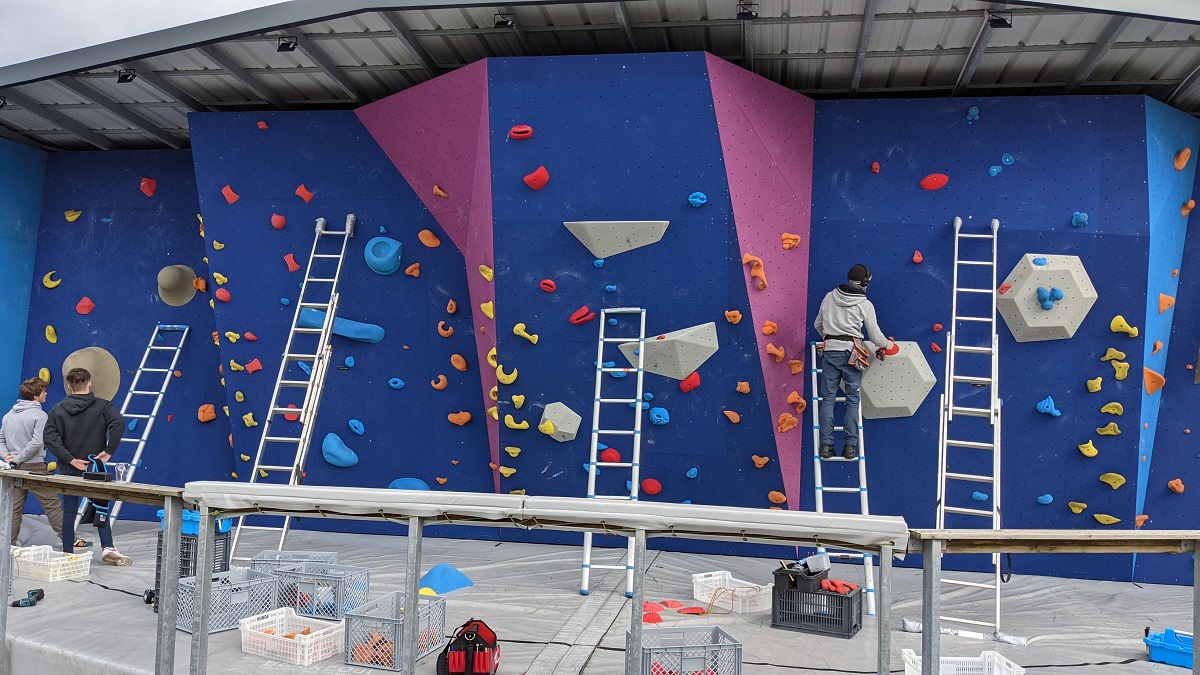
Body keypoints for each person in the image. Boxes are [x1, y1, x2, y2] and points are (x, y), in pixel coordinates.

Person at [43, 368, 132, 566]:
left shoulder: (57, 409)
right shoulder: (103, 406)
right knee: (101, 506)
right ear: (89, 382)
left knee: (69, 511)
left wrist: (70, 459)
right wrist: (109, 451)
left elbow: (49, 437)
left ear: (69, 386)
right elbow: (118, 423)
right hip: (94, 468)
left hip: (68, 469)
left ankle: (68, 552)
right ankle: (107, 547)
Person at [813, 264, 894, 460]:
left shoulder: (828, 297)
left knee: (828, 400)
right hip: (852, 353)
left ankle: (826, 445)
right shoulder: (865, 305)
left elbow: (818, 325)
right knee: (852, 399)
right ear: (866, 283)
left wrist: (831, 339)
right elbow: (875, 336)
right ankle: (849, 447)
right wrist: (888, 345)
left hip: (830, 352)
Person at [0, 377, 82, 548]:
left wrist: (8, 456)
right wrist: (18, 458)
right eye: (44, 391)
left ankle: (8, 544)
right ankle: (70, 540)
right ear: (36, 395)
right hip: (34, 467)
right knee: (52, 504)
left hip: (13, 469)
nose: (46, 394)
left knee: (14, 509)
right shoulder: (40, 415)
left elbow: (1, 439)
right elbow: (37, 442)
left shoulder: (8, 415)